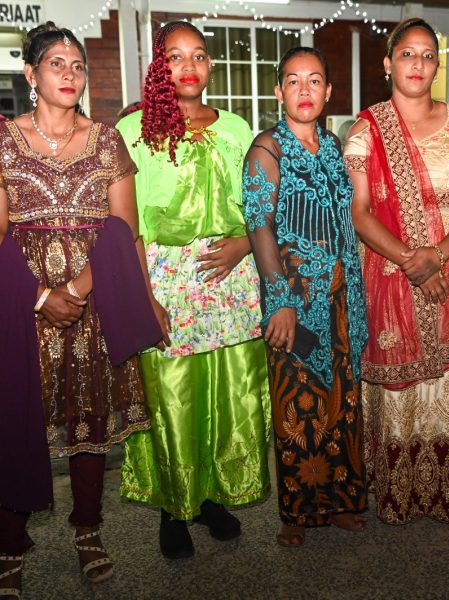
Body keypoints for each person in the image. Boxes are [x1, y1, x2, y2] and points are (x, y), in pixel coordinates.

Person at [0, 22, 165, 598]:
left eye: (77, 66)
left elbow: (126, 231)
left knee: (89, 419)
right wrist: (40, 297)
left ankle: (89, 531)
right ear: (31, 74)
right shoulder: (3, 140)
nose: (69, 75)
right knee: (16, 414)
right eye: (56, 64)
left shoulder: (106, 141)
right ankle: (8, 543)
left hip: (94, 299)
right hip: (19, 302)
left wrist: (130, 295)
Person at [116, 20, 271, 559]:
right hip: (164, 282)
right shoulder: (134, 130)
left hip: (231, 280)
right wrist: (145, 299)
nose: (189, 66)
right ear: (159, 65)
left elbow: (261, 206)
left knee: (227, 392)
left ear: (210, 65)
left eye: (199, 55)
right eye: (176, 56)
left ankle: (210, 496)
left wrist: (244, 245)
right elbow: (128, 226)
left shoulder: (237, 128)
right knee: (172, 396)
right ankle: (173, 506)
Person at [344, 18, 449, 526]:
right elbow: (360, 212)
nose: (418, 64)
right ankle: (401, 486)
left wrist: (437, 252)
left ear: (438, 66)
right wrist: (410, 259)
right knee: (403, 389)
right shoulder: (366, 130)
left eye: (428, 55)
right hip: (390, 268)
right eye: (407, 54)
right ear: (388, 64)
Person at [242, 47, 369, 546]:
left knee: (342, 401)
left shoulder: (333, 145)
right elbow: (259, 227)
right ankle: (296, 512)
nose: (304, 90)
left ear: (328, 91)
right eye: (293, 81)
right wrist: (280, 301)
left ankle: (339, 501)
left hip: (341, 295)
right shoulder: (266, 149)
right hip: (295, 299)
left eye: (314, 81)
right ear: (279, 91)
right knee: (297, 406)